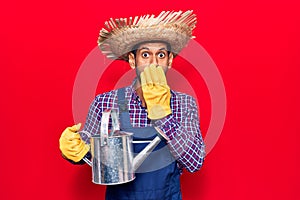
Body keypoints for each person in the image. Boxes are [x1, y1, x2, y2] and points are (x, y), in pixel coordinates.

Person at [59, 10, 205, 200]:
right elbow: (90, 152)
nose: (153, 63)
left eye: (161, 55)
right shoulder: (105, 103)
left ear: (169, 60)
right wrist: (74, 150)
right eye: (145, 55)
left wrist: (162, 116)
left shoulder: (184, 103)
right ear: (131, 60)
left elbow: (194, 162)